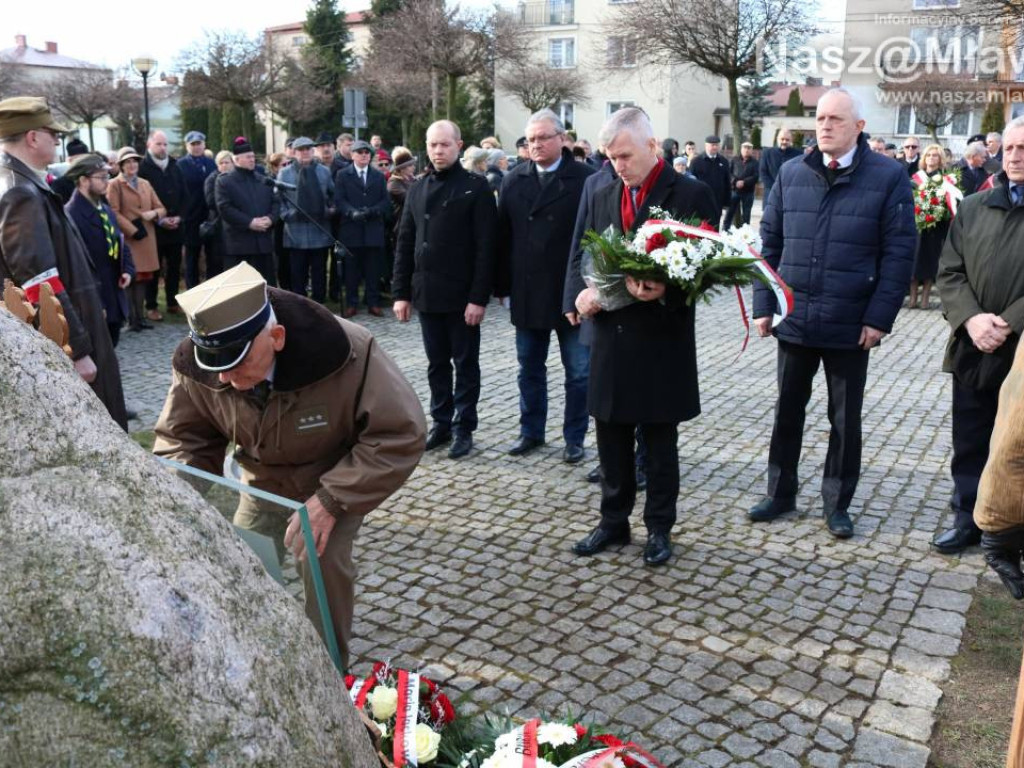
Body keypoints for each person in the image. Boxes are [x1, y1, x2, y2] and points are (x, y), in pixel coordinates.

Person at [152, 262, 426, 671]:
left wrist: (332, 500)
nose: (224, 377)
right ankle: (253, 663)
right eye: (215, 363)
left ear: (276, 337)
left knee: (323, 567)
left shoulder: (349, 351)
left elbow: (399, 434)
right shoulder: (202, 367)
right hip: (260, 482)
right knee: (240, 562)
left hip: (334, 480)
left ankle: (329, 674)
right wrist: (174, 497)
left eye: (237, 361)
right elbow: (185, 439)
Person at [748, 88, 916, 538]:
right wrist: (764, 304)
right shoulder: (791, 173)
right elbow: (770, 244)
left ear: (859, 127)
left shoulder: (888, 176)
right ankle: (779, 494)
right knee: (787, 411)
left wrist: (879, 318)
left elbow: (900, 253)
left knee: (844, 419)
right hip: (796, 318)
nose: (824, 126)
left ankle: (837, 502)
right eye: (820, 118)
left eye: (836, 119)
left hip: (850, 322)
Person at [566, 107, 718, 567]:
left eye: (625, 156)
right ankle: (612, 522)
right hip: (609, 337)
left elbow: (710, 268)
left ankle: (659, 528)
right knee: (609, 435)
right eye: (610, 157)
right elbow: (578, 255)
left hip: (660, 339)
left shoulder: (691, 193)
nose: (617, 165)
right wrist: (579, 297)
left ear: (653, 147)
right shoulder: (600, 189)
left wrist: (667, 288)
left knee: (658, 441)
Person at [0, 97, 129, 429]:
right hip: (71, 335)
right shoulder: (19, 192)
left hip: (79, 320)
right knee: (98, 430)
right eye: (51, 133)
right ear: (31, 137)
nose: (57, 140)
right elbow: (37, 281)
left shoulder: (23, 183)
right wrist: (76, 349)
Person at [932, 116, 1024, 555]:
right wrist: (972, 319)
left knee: (1015, 443)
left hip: (1021, 350)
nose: (1014, 155)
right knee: (969, 439)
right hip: (973, 346)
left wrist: (1009, 321)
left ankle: (1007, 529)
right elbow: (949, 272)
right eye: (1008, 148)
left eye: (1022, 148)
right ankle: (966, 517)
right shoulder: (973, 207)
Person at [494, 108, 595, 465]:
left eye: (542, 138)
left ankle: (574, 438)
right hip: (528, 290)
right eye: (530, 139)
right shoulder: (514, 178)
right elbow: (502, 236)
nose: (535, 145)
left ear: (562, 139)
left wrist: (589, 289)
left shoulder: (586, 178)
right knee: (529, 368)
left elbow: (594, 241)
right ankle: (531, 431)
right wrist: (502, 287)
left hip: (570, 292)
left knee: (579, 372)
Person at [393, 120, 497, 459]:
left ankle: (463, 426)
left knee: (465, 363)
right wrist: (401, 293)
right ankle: (441, 421)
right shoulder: (417, 188)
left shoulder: (476, 187)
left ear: (458, 145)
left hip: (462, 295)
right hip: (427, 292)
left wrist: (478, 298)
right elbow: (405, 241)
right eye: (433, 145)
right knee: (436, 364)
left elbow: (486, 247)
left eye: (445, 145)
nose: (438, 151)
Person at [64, 154, 136, 349]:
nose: (107, 182)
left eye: (107, 176)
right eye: (101, 177)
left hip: (113, 295)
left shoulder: (105, 209)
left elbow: (120, 243)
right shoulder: (71, 215)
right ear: (83, 180)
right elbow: (77, 266)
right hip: (94, 301)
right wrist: (95, 303)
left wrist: (127, 270)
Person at [107, 146, 165, 333]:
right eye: (128, 162)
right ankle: (130, 318)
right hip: (129, 239)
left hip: (146, 238)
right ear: (121, 166)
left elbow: (161, 208)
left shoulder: (145, 184)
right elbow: (113, 212)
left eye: (135, 161)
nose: (132, 165)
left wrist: (153, 213)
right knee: (130, 278)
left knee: (143, 279)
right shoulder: (114, 184)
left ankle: (139, 318)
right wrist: (131, 229)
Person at [336, 139, 390, 317]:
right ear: (352, 155)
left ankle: (373, 302)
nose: (364, 155)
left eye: (367, 153)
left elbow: (385, 202)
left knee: (373, 269)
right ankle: (352, 303)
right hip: (351, 229)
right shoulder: (343, 175)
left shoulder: (378, 176)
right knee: (351, 270)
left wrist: (371, 211)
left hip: (373, 229)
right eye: (360, 152)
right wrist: (352, 213)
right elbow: (340, 200)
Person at [278, 136, 335, 304]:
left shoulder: (323, 171)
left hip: (320, 230)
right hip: (295, 232)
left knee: (319, 272)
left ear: (313, 150)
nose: (305, 152)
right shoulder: (285, 173)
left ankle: (319, 304)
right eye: (301, 150)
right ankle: (300, 306)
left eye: (309, 149)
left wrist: (330, 210)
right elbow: (278, 201)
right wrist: (287, 215)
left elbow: (332, 195)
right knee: (298, 273)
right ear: (294, 153)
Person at [215, 136, 279, 284]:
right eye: (248, 157)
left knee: (266, 287)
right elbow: (224, 208)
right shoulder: (224, 181)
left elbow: (276, 203)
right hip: (239, 245)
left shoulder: (263, 179)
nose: (252, 160)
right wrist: (249, 222)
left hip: (263, 244)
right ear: (236, 160)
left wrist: (270, 219)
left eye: (253, 157)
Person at [138, 130, 187, 317]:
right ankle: (151, 305)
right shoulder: (143, 167)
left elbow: (184, 194)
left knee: (174, 266)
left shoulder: (175, 166)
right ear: (149, 145)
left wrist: (180, 216)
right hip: (154, 227)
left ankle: (173, 302)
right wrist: (160, 219)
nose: (163, 148)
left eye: (165, 144)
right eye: (159, 144)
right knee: (154, 267)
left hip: (175, 226)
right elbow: (141, 199)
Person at [909, 143, 951, 310]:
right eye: (928, 155)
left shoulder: (945, 179)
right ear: (924, 158)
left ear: (940, 159)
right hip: (916, 226)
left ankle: (925, 297)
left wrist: (937, 211)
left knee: (929, 261)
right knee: (914, 260)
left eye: (935, 155)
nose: (931, 158)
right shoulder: (916, 178)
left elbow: (948, 203)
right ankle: (913, 297)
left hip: (935, 227)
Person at [178, 131, 217, 289]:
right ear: (187, 146)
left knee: (213, 257)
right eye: (193, 144)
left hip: (210, 216)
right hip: (191, 218)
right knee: (192, 258)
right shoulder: (181, 165)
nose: (196, 147)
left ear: (204, 144)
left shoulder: (211, 163)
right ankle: (192, 291)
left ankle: (211, 290)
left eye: (199, 143)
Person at [202, 150, 233, 285]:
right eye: (221, 163)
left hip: (233, 228)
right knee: (215, 264)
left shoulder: (235, 178)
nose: (224, 165)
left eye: (227, 162)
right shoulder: (212, 179)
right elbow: (211, 202)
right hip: (217, 226)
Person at [689, 135, 731, 229]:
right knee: (701, 225)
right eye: (712, 145)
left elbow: (727, 182)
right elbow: (690, 182)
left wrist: (727, 202)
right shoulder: (696, 162)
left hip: (717, 200)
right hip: (701, 200)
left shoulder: (723, 161)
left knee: (715, 225)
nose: (715, 147)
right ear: (706, 146)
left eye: (716, 145)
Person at [759, 129, 802, 204]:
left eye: (787, 140)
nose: (784, 142)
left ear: (791, 140)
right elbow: (763, 172)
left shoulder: (798, 154)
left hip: (791, 195)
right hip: (771, 193)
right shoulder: (767, 153)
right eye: (782, 139)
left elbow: (800, 173)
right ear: (777, 139)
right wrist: (775, 188)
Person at [725, 141, 758, 229]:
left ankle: (745, 233)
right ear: (741, 149)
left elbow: (756, 176)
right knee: (729, 212)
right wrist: (735, 182)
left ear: (751, 150)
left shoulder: (755, 162)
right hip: (735, 191)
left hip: (748, 192)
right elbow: (728, 173)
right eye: (745, 148)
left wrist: (744, 182)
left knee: (746, 215)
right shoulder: (734, 159)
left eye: (749, 148)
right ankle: (725, 230)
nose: (747, 150)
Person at [49, 137, 90, 203]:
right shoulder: (60, 184)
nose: (84, 163)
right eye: (79, 160)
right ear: (70, 160)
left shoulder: (93, 179)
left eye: (86, 160)